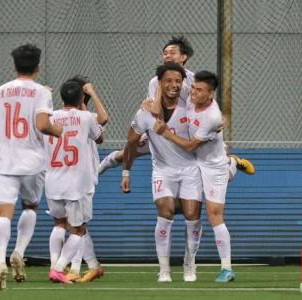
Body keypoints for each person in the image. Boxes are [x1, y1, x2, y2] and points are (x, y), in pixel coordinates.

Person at [99, 35, 254, 178]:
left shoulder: (193, 80)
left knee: (215, 174)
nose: (167, 55)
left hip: (188, 131)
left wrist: (221, 118)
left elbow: (208, 105)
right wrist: (151, 100)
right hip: (163, 128)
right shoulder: (155, 82)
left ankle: (232, 162)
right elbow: (155, 112)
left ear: (183, 57)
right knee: (127, 152)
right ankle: (99, 168)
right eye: (165, 53)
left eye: (172, 52)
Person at [0, 44, 62, 290]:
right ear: (38, 66)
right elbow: (43, 124)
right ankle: (19, 251)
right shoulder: (41, 92)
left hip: (6, 163)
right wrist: (58, 130)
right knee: (30, 207)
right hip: (33, 163)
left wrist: (1, 122)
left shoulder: (1, 91)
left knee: (4, 213)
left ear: (14, 66)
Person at [154, 70, 235, 282]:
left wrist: (166, 133)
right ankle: (232, 165)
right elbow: (171, 81)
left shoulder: (212, 117)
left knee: (214, 215)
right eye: (194, 88)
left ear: (211, 95)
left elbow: (190, 146)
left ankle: (226, 268)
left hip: (212, 167)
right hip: (194, 164)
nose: (193, 92)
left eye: (200, 90)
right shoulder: (191, 97)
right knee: (186, 210)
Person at [124, 63, 202, 282]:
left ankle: (189, 265)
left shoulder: (190, 108)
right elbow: (129, 143)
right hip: (163, 170)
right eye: (168, 80)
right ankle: (164, 269)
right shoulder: (145, 113)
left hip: (190, 169)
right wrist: (125, 173)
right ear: (159, 83)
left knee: (192, 215)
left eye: (178, 81)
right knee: (165, 211)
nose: (174, 85)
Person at [46, 81, 104, 284]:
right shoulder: (86, 118)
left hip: (52, 180)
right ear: (81, 99)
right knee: (78, 229)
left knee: (59, 224)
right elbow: (100, 136)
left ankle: (58, 265)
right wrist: (92, 93)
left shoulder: (49, 117)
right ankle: (61, 269)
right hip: (77, 183)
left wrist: (43, 98)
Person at [61, 76, 107, 283]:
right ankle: (94, 266)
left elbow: (103, 122)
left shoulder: (88, 117)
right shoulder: (65, 117)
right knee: (77, 225)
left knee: (75, 225)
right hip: (68, 177)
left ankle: (75, 269)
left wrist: (93, 93)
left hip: (83, 178)